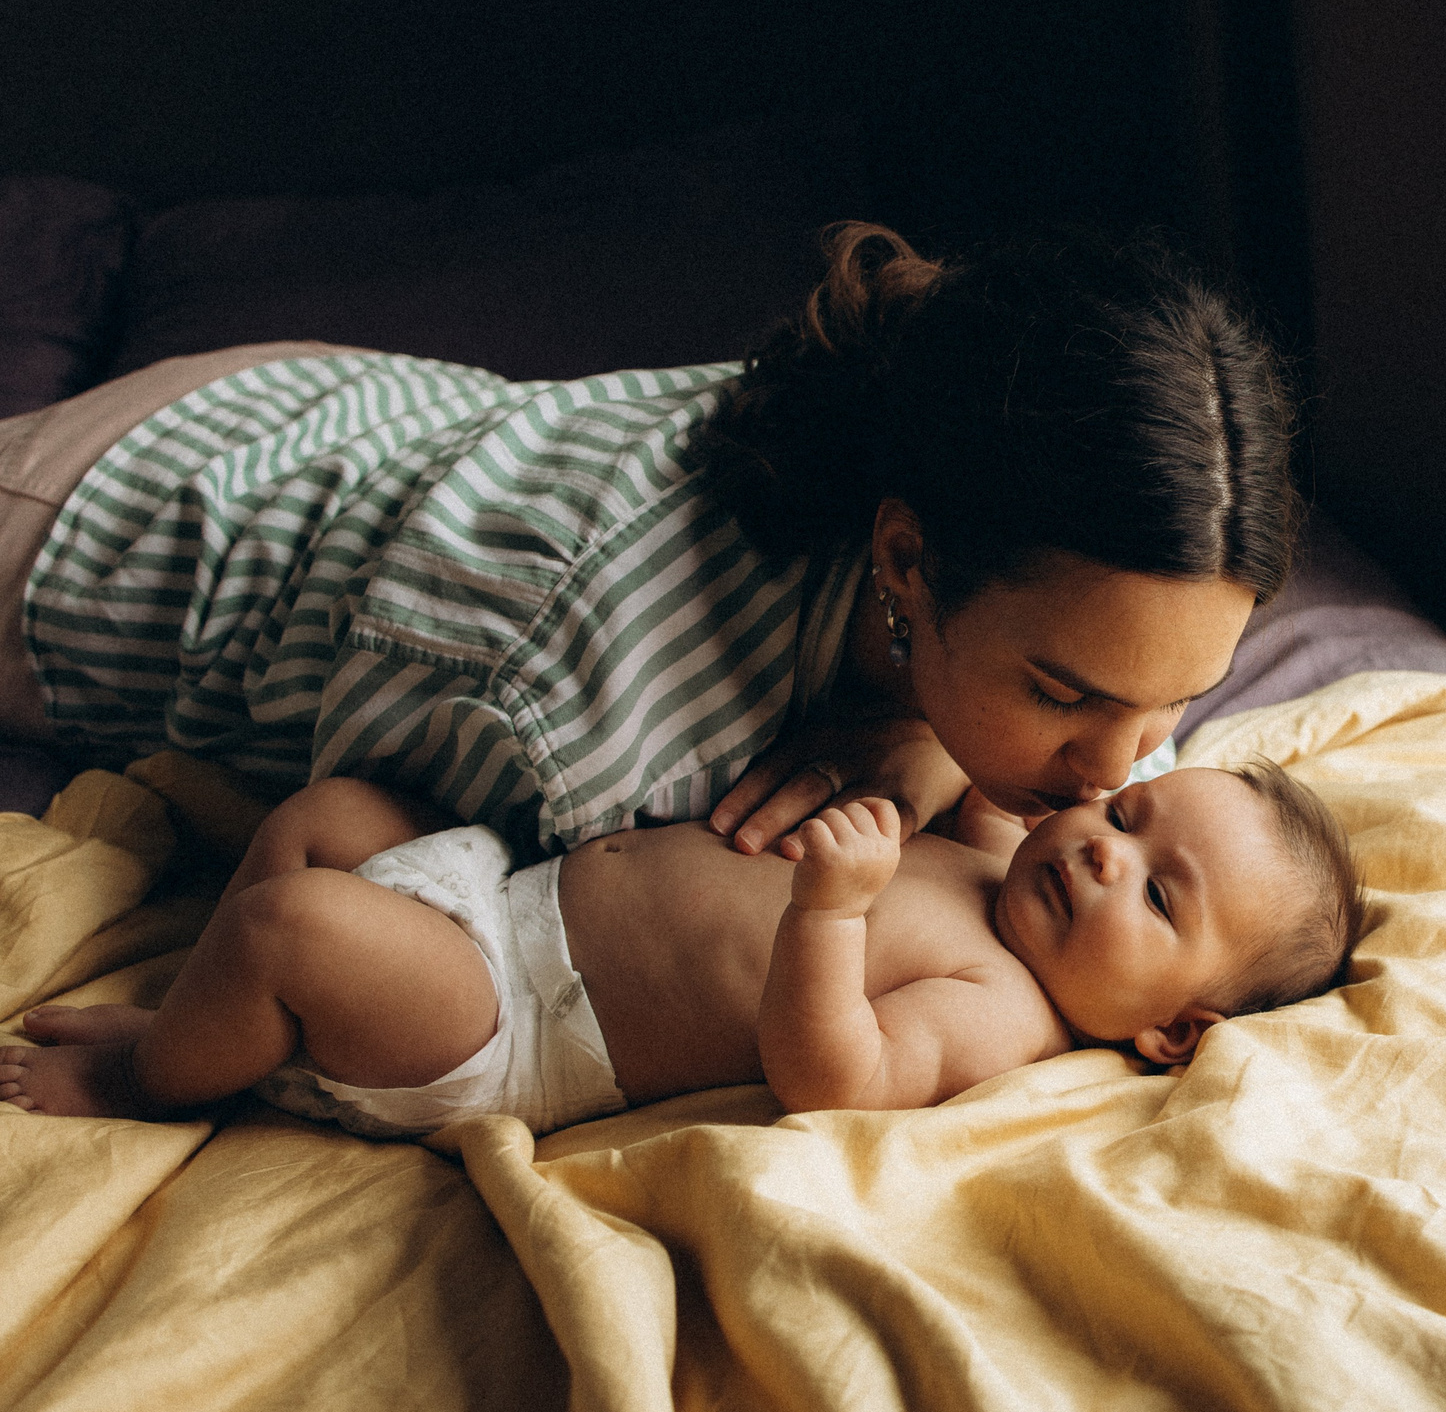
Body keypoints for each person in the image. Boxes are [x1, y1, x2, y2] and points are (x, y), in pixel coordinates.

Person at [0, 223, 1297, 862]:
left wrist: (929, 738)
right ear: (905, 562)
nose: (1123, 775)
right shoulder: (565, 729)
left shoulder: (936, 421)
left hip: (368, 415)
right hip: (114, 524)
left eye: (1170, 703)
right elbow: (351, 919)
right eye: (1065, 696)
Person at [0, 759, 1363, 1132]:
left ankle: (156, 1077)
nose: (1103, 851)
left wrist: (829, 918)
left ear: (1173, 1029)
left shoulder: (1003, 1006)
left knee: (291, 928)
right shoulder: (1008, 853)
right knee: (326, 815)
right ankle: (209, 1018)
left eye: (1162, 898)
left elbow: (843, 1078)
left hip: (505, 1021)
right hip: (503, 893)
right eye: (1125, 816)